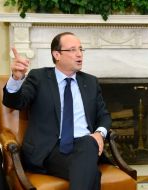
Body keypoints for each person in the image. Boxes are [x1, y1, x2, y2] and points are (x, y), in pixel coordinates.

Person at [2, 32, 111, 190]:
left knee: (88, 144)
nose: (79, 54)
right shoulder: (39, 77)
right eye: (72, 50)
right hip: (50, 150)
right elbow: (14, 102)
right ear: (57, 54)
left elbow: (104, 115)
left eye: (81, 49)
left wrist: (99, 134)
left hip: (84, 146)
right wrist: (16, 79)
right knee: (90, 170)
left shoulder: (90, 82)